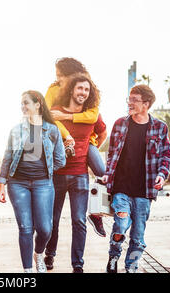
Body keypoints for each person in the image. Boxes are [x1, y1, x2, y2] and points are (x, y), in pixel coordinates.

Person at [103, 84, 170, 273]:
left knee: (138, 237)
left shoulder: (160, 127)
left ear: (146, 104)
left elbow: (166, 155)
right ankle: (113, 255)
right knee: (120, 225)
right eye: (129, 99)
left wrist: (162, 175)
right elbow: (111, 154)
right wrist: (107, 175)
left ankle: (131, 267)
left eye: (134, 100)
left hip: (144, 191)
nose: (129, 103)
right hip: (121, 189)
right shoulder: (120, 124)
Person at [0, 90, 66, 273]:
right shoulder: (16, 130)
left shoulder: (52, 130)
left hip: (43, 184)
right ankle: (28, 271)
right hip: (17, 184)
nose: (23, 107)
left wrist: (45, 170)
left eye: (26, 103)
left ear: (38, 104)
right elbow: (7, 158)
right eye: (21, 103)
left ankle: (38, 253)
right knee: (25, 227)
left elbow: (61, 159)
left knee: (45, 229)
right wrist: (1, 184)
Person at [44, 73, 106, 273]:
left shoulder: (91, 115)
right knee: (52, 220)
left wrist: (92, 146)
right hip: (57, 175)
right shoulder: (55, 112)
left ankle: (77, 264)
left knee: (79, 220)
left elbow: (103, 131)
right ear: (71, 90)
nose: (83, 93)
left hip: (80, 175)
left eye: (87, 90)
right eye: (80, 88)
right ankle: (50, 254)